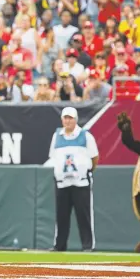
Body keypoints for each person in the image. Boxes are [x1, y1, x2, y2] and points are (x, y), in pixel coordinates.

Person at [48, 107, 99, 251]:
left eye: (70, 118)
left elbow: (94, 157)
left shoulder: (85, 136)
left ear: (76, 119)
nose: (67, 121)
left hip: (81, 182)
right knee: (61, 216)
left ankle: (88, 245)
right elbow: (53, 156)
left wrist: (86, 170)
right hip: (62, 183)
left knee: (84, 215)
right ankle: (60, 245)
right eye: (65, 118)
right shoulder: (57, 136)